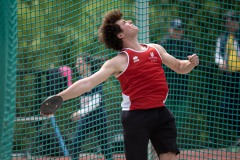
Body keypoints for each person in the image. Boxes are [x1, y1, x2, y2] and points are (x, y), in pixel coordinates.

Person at [41, 10, 199, 160]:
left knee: (169, 155)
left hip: (161, 112)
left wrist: (190, 63)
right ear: (120, 34)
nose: (129, 21)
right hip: (136, 117)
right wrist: (61, 97)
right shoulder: (119, 61)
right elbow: (88, 82)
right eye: (124, 22)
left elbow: (179, 66)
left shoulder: (155, 49)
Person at [70, 55, 113, 160]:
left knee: (105, 146)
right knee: (76, 143)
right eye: (76, 64)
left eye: (80, 64)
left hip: (99, 116)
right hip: (86, 117)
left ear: (88, 65)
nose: (77, 66)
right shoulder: (80, 80)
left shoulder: (95, 78)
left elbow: (96, 102)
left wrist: (79, 113)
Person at [158, 19, 196, 134]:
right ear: (170, 29)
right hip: (166, 89)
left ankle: (171, 144)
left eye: (179, 30)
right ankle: (159, 144)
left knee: (178, 119)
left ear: (183, 31)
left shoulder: (188, 44)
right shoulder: (164, 44)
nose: (177, 32)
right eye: (175, 29)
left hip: (182, 90)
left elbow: (193, 64)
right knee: (163, 118)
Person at [213, 11, 240, 146]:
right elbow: (217, 55)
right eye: (227, 21)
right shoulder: (222, 38)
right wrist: (221, 62)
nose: (229, 23)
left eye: (232, 20)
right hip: (229, 79)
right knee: (226, 108)